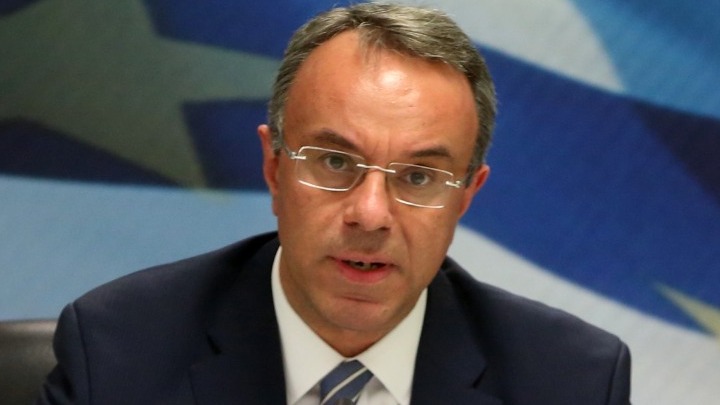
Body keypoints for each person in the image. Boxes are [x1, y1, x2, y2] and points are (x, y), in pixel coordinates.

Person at [37, 2, 631, 404]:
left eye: (419, 177)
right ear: (275, 167)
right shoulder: (120, 352)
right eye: (336, 163)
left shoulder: (570, 381)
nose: (370, 214)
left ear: (466, 198)